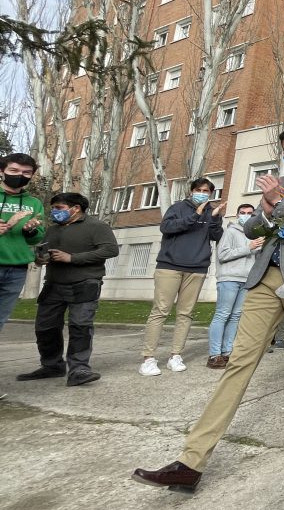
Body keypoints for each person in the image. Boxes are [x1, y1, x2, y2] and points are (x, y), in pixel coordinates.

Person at [133, 124, 284, 491]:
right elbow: (250, 230)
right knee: (239, 362)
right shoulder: (277, 181)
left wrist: (279, 203)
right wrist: (264, 211)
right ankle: (191, 460)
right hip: (265, 277)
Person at [16, 192, 118, 386]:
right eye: (53, 208)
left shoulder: (97, 226)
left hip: (86, 283)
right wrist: (40, 259)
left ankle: (79, 369)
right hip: (53, 283)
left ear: (75, 208)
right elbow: (43, 251)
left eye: (59, 208)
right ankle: (52, 366)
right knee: (45, 327)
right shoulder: (53, 230)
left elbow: (110, 250)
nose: (54, 212)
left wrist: (72, 258)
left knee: (80, 326)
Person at [139, 177, 225, 376]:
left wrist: (214, 219)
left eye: (206, 191)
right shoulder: (178, 207)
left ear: (211, 193)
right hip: (170, 266)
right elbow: (167, 228)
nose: (202, 193)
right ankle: (148, 358)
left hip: (197, 268)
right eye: (199, 189)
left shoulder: (211, 212)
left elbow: (216, 237)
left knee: (186, 314)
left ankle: (175, 355)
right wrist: (194, 215)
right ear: (191, 191)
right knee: (160, 311)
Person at [207, 204, 263, 368]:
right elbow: (223, 255)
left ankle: (227, 352)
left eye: (250, 213)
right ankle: (214, 354)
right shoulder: (230, 231)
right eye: (242, 213)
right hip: (229, 278)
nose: (246, 215)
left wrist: (257, 248)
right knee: (222, 314)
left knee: (236, 316)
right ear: (237, 214)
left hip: (246, 279)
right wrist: (248, 248)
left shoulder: (254, 234)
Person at [0, 153, 45, 333]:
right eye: (14, 170)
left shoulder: (33, 203)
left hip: (16, 269)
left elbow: (37, 238)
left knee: (1, 317)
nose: (20, 175)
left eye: (26, 172)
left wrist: (30, 230)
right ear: (2, 171)